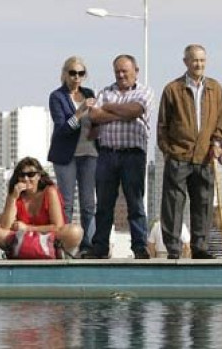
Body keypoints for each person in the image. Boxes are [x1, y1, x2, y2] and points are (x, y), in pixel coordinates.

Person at [156, 44, 222, 259]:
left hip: (205, 156)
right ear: (186, 61)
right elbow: (163, 125)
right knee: (173, 205)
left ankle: (200, 247)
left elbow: (220, 121)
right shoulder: (172, 89)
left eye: (202, 60)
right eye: (195, 60)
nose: (199, 64)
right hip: (179, 156)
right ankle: (174, 248)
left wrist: (216, 143)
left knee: (204, 203)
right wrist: (169, 151)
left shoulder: (215, 89)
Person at [82, 55, 154, 259]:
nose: (121, 75)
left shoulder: (145, 91)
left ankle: (140, 246)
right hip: (107, 154)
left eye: (125, 71)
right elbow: (94, 116)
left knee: (135, 203)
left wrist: (109, 109)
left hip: (133, 154)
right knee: (104, 204)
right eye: (118, 72)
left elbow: (136, 110)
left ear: (136, 71)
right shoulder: (106, 91)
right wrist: (124, 112)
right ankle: (100, 246)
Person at [47, 55, 97, 258]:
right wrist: (80, 112)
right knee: (66, 202)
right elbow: (62, 129)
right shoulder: (57, 97)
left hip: (90, 153)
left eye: (80, 73)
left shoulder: (89, 93)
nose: (76, 77)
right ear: (65, 74)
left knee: (88, 203)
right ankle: (64, 245)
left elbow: (96, 120)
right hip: (66, 155)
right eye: (72, 73)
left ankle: (90, 245)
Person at [0, 157, 82, 259]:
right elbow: (5, 227)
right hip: (23, 239)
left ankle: (56, 253)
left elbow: (57, 226)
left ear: (39, 176)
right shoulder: (15, 195)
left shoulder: (50, 192)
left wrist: (28, 228)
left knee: (75, 231)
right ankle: (20, 251)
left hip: (49, 238)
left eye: (31, 175)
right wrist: (12, 198)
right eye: (22, 175)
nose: (26, 179)